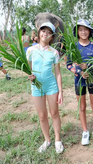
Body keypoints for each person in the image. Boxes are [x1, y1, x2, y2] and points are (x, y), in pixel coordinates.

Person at [26, 22, 64, 154]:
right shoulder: (30, 50)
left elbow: (58, 73)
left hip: (51, 86)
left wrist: (60, 92)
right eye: (43, 30)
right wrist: (28, 75)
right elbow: (27, 69)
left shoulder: (54, 52)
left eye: (48, 32)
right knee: (42, 116)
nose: (45, 34)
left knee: (54, 113)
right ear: (39, 33)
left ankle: (57, 140)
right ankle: (47, 140)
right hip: (36, 87)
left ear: (51, 37)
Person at [66, 19, 93, 145]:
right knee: (82, 107)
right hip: (79, 81)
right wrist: (79, 71)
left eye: (86, 29)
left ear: (89, 31)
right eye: (80, 30)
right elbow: (68, 65)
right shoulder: (73, 47)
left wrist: (89, 66)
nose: (83, 32)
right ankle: (85, 131)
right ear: (77, 32)